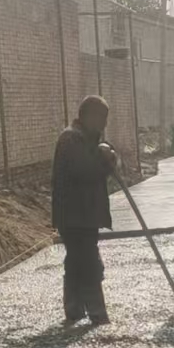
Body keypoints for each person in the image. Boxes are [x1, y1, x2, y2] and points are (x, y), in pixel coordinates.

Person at [51, 95, 117, 326]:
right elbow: (86, 171)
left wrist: (108, 153)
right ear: (90, 116)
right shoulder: (71, 139)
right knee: (88, 261)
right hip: (74, 215)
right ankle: (96, 312)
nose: (105, 123)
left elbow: (96, 158)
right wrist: (106, 162)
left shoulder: (84, 138)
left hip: (83, 214)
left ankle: (75, 309)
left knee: (77, 261)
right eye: (102, 118)